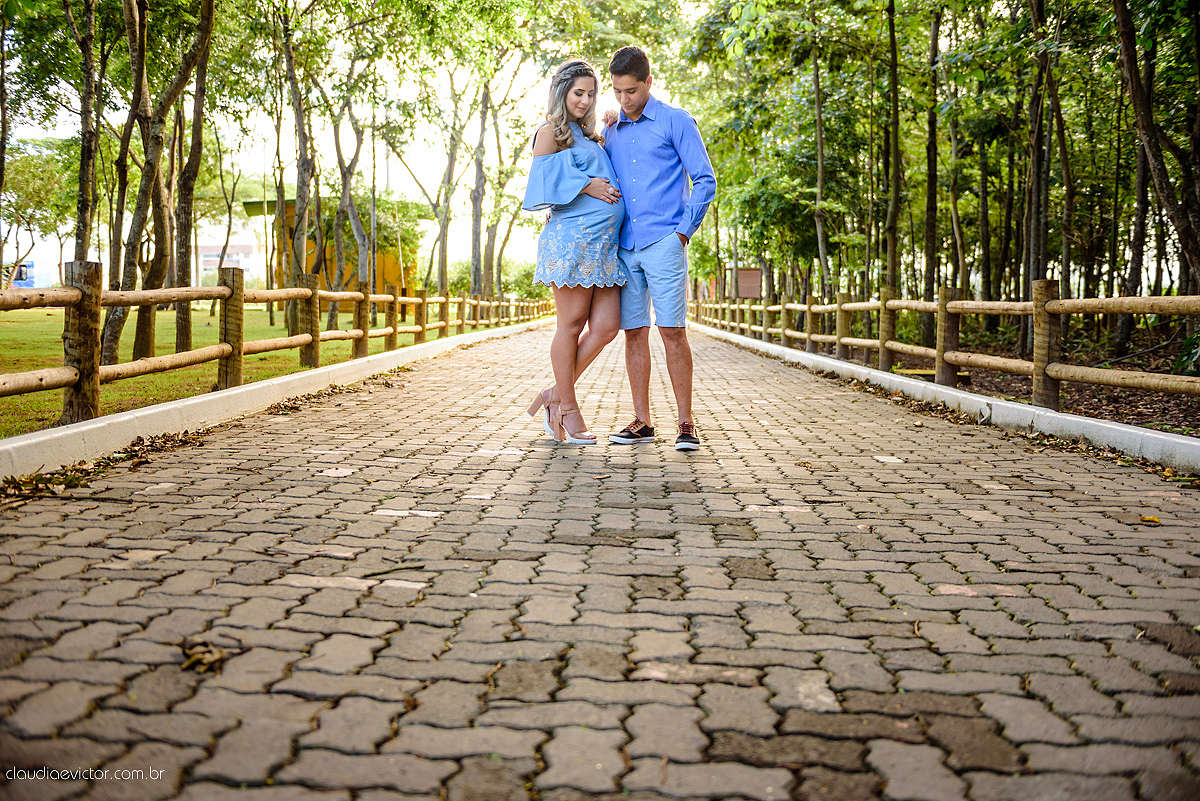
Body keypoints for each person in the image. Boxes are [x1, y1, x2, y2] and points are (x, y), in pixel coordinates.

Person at [602, 46, 716, 451]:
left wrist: (683, 233)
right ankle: (643, 422)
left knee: (671, 331)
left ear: (648, 82)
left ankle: (686, 423)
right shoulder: (611, 128)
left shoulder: (676, 120)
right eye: (617, 91)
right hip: (625, 245)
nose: (624, 99)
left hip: (664, 240)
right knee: (634, 333)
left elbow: (704, 179)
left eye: (631, 90)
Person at [522, 59, 626, 445]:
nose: (584, 100)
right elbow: (541, 182)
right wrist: (586, 185)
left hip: (604, 247)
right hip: (573, 243)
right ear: (562, 92)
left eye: (590, 94)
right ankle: (567, 407)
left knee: (606, 327)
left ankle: (554, 395)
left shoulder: (589, 136)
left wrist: (612, 122)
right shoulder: (549, 132)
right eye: (577, 93)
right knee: (571, 324)